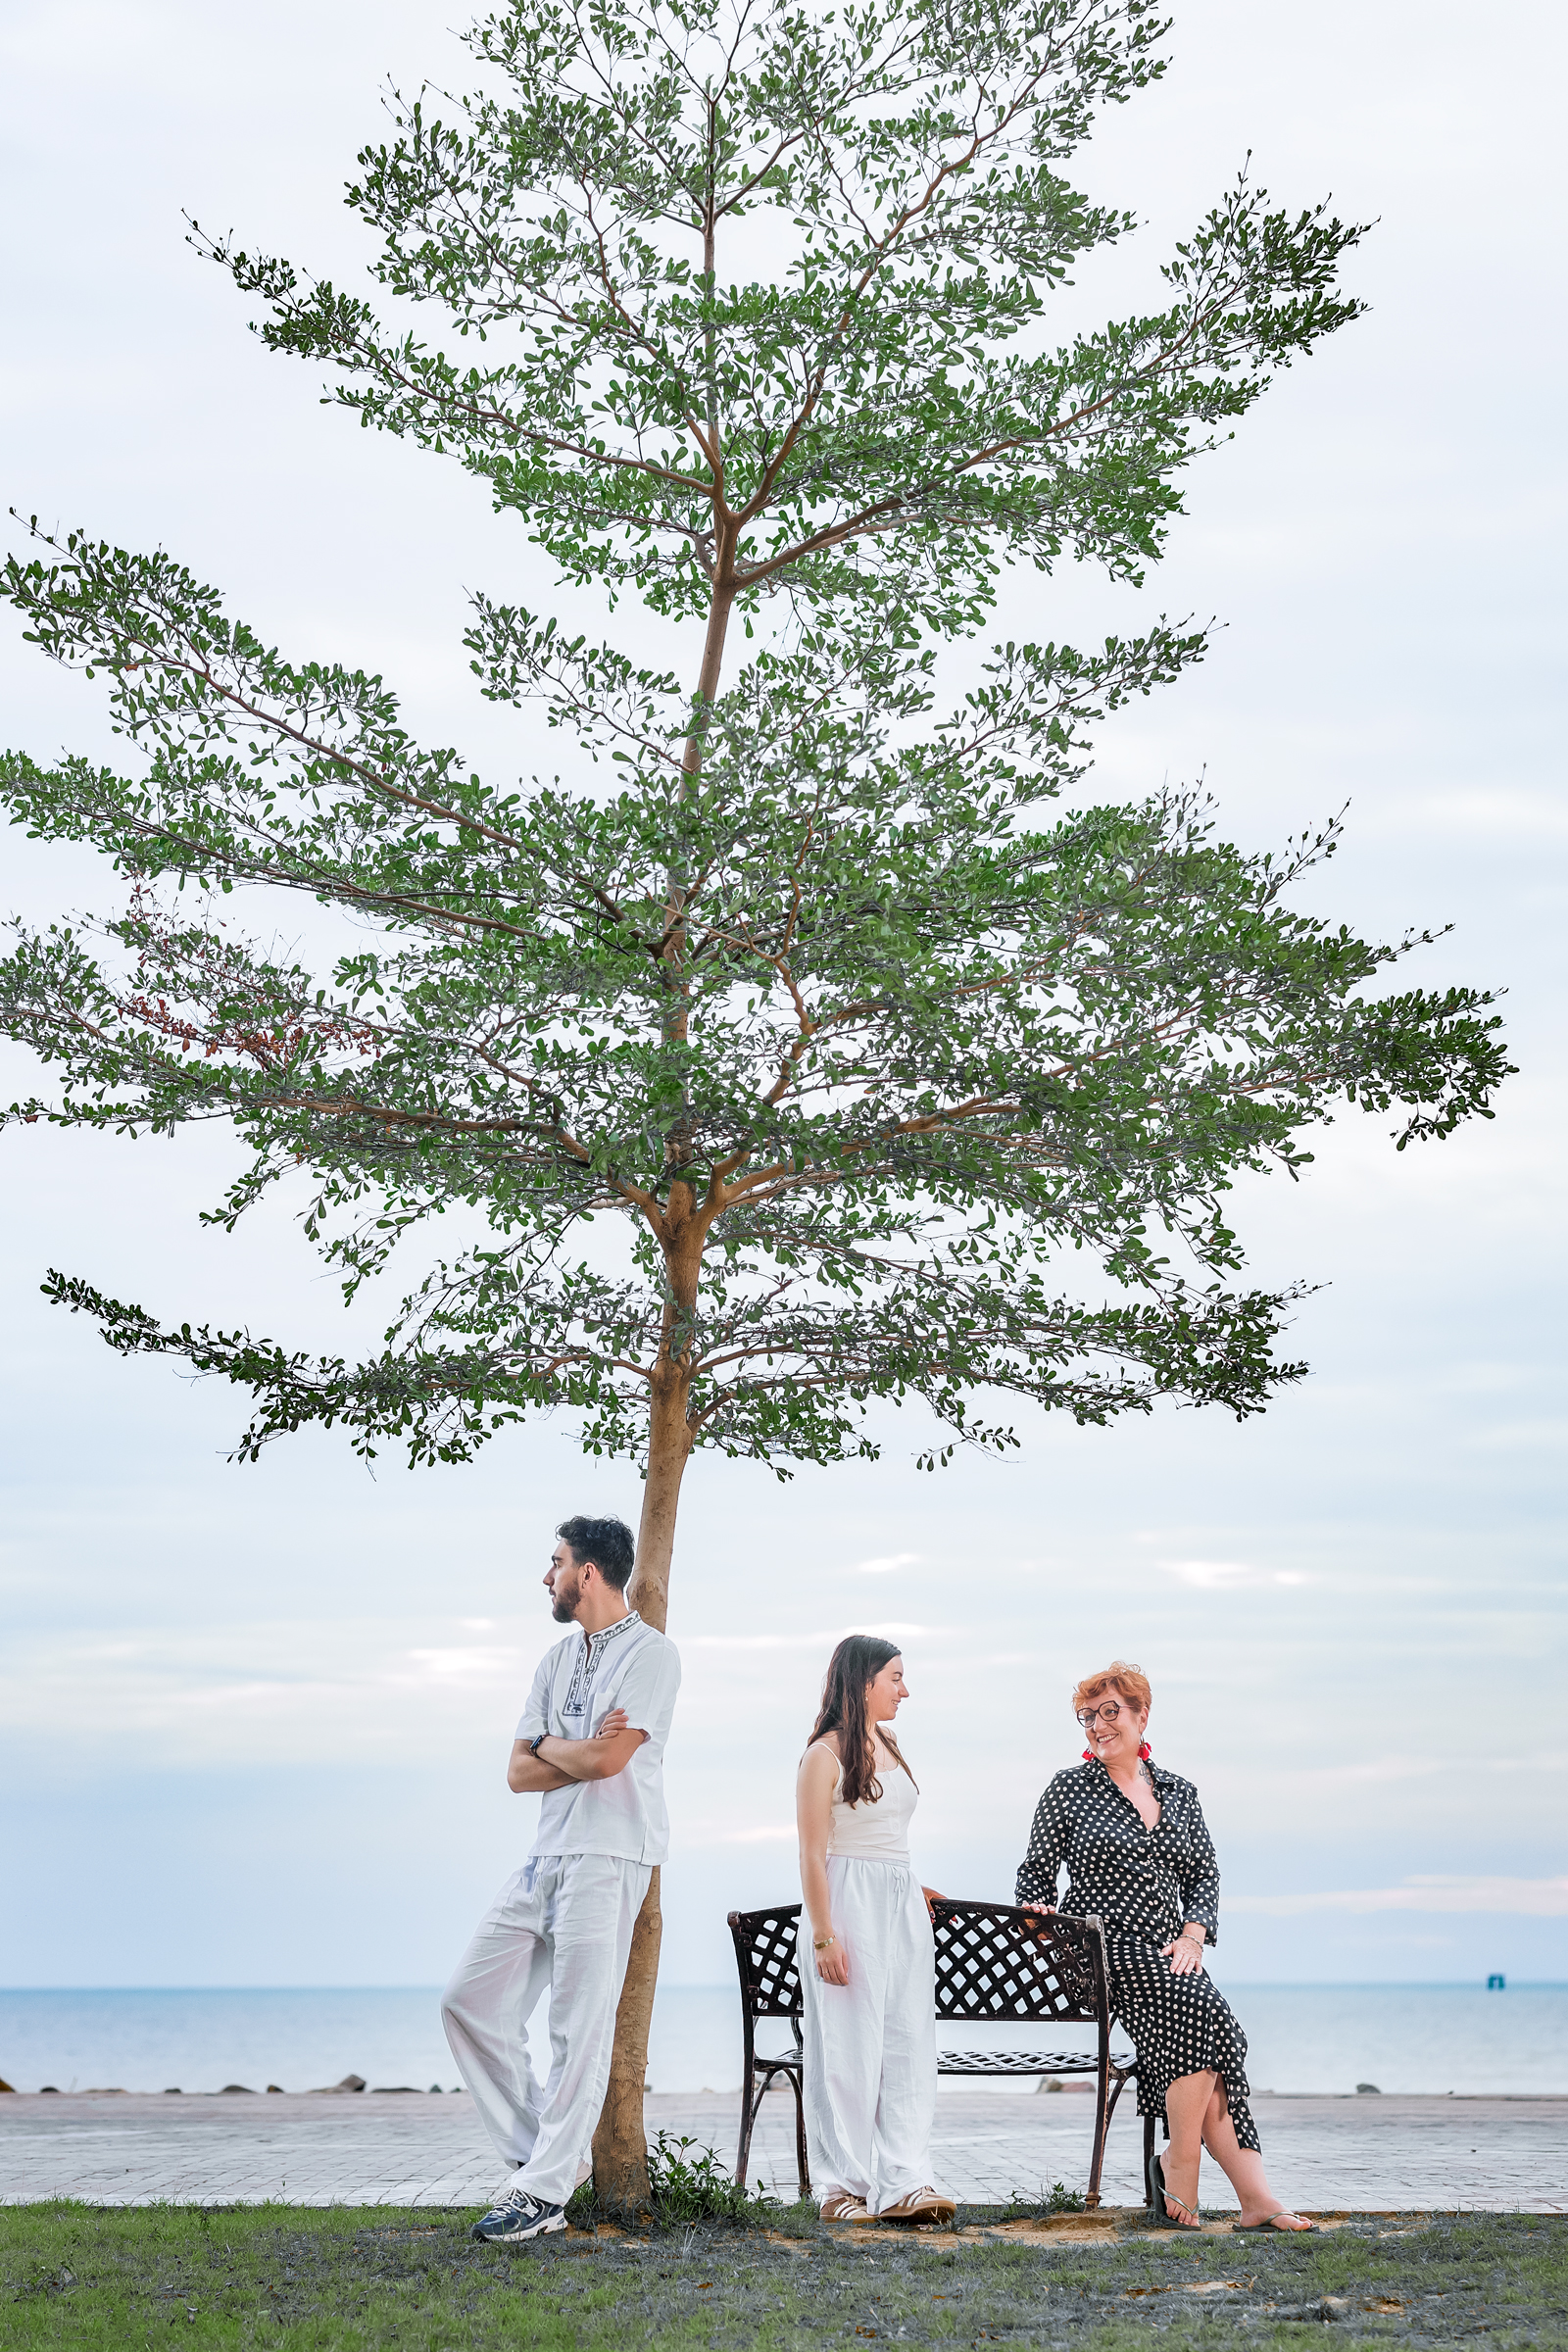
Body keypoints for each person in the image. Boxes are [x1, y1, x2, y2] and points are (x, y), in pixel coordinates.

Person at [442, 1514, 681, 2246]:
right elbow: (519, 1773)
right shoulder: (553, 1659)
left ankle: (541, 2193)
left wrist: (556, 1747)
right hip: (546, 1854)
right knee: (467, 2002)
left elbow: (611, 1766)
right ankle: (539, 2162)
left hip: (610, 1856)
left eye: (556, 1563)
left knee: (578, 2027)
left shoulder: (652, 1655)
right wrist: (565, 1745)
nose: (546, 1576)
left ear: (590, 1572)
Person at [1015, 1660, 1315, 2232]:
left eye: (1110, 1713)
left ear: (1141, 1715)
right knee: (1210, 2016)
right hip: (1100, 1950)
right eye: (1087, 1717)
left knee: (1205, 2030)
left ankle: (1251, 2197)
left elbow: (1204, 1876)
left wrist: (1194, 1935)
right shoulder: (1069, 1789)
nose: (1098, 1726)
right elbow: (1035, 1878)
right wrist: (1042, 1915)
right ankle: (1186, 2164)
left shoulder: (1180, 1793)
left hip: (1169, 1950)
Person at [795, 1636, 954, 2226]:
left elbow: (886, 1833)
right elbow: (813, 1855)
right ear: (864, 1682)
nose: (904, 1690)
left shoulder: (889, 1741)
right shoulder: (824, 1755)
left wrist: (909, 1886)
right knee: (848, 2049)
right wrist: (824, 1934)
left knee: (908, 2044)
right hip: (847, 1906)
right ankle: (842, 2187)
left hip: (899, 1903)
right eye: (895, 1678)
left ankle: (905, 2182)